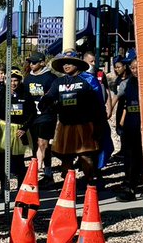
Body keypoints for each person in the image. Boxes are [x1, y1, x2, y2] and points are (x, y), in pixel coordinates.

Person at [39, 51, 104, 191]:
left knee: (86, 157)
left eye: (69, 63)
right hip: (65, 126)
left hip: (85, 125)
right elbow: (48, 97)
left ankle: (90, 185)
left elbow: (97, 104)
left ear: (77, 64)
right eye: (63, 63)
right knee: (66, 158)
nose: (66, 66)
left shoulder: (88, 80)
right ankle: (69, 187)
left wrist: (99, 125)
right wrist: (46, 103)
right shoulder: (58, 82)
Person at [22, 52, 57, 182]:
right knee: (35, 145)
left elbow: (54, 96)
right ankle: (36, 171)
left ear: (42, 63)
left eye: (34, 62)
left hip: (46, 116)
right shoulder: (27, 78)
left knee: (44, 143)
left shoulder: (50, 78)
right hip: (32, 117)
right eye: (30, 62)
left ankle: (46, 171)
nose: (31, 65)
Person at [114, 54, 143, 199]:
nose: (135, 70)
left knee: (142, 158)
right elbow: (124, 103)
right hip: (130, 126)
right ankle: (129, 186)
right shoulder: (128, 83)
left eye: (137, 67)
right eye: (132, 68)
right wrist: (121, 121)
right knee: (130, 158)